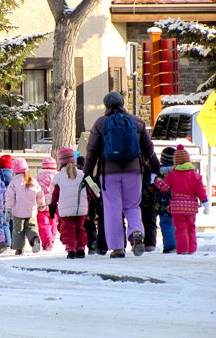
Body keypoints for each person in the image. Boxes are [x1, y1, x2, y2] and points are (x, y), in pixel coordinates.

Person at [83, 91, 160, 258]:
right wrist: (157, 168)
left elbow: (92, 151)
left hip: (109, 174)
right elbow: (149, 149)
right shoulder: (136, 121)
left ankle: (117, 247)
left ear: (106, 105)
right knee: (132, 205)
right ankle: (137, 232)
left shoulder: (101, 123)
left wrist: (87, 173)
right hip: (134, 172)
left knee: (112, 209)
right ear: (123, 103)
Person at [154, 144, 210, 254]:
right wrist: (206, 203)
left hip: (177, 207)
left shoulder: (173, 175)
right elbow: (200, 191)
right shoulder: (195, 175)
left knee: (180, 228)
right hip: (191, 208)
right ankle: (192, 249)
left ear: (176, 161)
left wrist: (156, 181)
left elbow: (164, 188)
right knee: (191, 228)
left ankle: (183, 249)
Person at [48, 148, 88, 259]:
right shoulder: (82, 174)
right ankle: (81, 248)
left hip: (65, 210)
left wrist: (51, 207)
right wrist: (97, 199)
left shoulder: (58, 177)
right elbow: (93, 189)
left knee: (68, 229)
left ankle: (71, 249)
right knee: (80, 228)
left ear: (60, 161)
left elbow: (53, 194)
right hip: (81, 208)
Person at [5, 158, 44, 255]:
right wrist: (42, 204)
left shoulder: (13, 183)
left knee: (18, 230)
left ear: (14, 171)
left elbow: (10, 197)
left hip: (18, 212)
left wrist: (8, 209)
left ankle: (19, 249)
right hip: (31, 211)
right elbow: (39, 193)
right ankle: (35, 239)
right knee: (31, 228)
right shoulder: (33, 181)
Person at [153, 147, 177, 253]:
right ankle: (181, 244)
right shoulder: (178, 171)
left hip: (162, 203)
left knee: (166, 224)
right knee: (178, 224)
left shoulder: (158, 171)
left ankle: (170, 246)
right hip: (177, 201)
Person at [37, 156, 58, 251]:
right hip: (54, 203)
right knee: (53, 222)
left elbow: (37, 189)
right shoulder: (57, 175)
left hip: (43, 204)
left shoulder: (40, 175)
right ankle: (52, 240)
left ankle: (47, 240)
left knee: (43, 223)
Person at [0, 154, 13, 248]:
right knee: (13, 224)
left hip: (2, 206)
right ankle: (15, 243)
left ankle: (7, 242)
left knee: (5, 225)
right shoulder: (14, 176)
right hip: (14, 205)